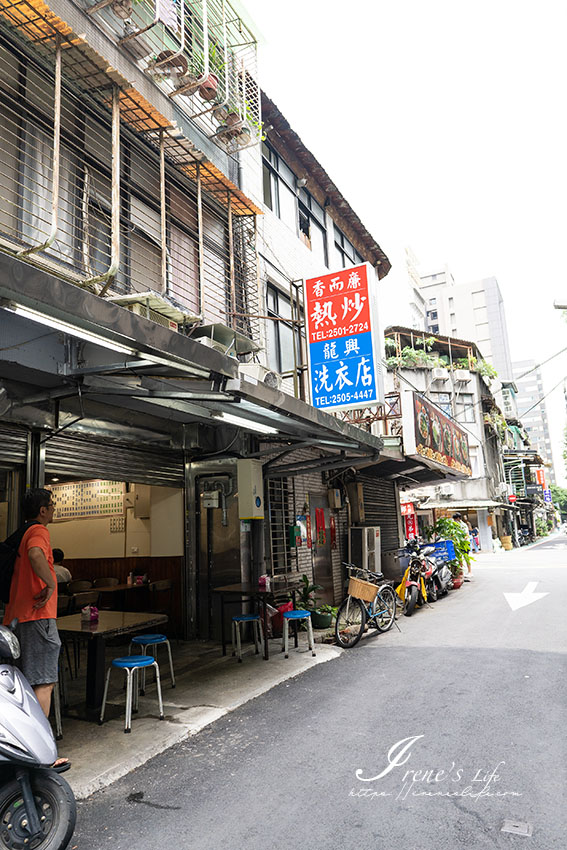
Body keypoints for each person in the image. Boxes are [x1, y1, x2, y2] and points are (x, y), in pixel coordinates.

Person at [2, 488, 69, 771]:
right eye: (51, 506)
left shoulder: (20, 533)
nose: (53, 509)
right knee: (43, 682)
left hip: (14, 618)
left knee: (22, 685)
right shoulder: (38, 531)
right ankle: (42, 755)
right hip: (37, 616)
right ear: (42, 510)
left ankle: (19, 749)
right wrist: (51, 584)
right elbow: (35, 555)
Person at [452, 513, 474, 581]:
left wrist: (461, 540)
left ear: (458, 518)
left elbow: (466, 534)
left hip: (465, 544)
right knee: (460, 558)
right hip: (459, 544)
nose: (454, 520)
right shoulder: (455, 525)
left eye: (455, 519)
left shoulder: (463, 525)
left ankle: (470, 572)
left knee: (466, 557)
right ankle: (461, 572)